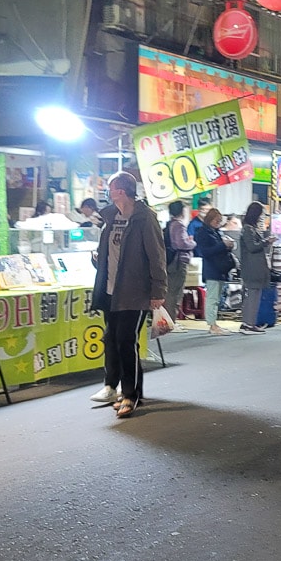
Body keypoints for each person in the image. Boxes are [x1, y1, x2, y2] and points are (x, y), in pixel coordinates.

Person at [89, 171, 167, 418]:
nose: (108, 193)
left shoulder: (145, 218)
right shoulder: (110, 217)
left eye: (110, 188)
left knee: (125, 340)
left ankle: (130, 395)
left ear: (120, 191)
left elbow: (157, 256)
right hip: (111, 289)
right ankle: (119, 388)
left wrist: (158, 290)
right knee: (111, 339)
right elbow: (109, 251)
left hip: (135, 291)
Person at [194, 207, 236, 335]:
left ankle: (214, 323)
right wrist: (223, 245)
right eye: (216, 220)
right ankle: (212, 325)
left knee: (217, 298)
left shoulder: (216, 232)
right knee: (212, 298)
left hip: (220, 269)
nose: (218, 223)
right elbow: (206, 252)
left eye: (219, 221)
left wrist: (228, 246)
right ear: (210, 219)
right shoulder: (203, 233)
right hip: (212, 269)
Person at [238, 201, 274, 335]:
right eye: (261, 214)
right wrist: (266, 241)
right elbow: (252, 247)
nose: (262, 217)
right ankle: (249, 324)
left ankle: (249, 323)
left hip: (253, 267)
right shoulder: (248, 229)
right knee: (253, 296)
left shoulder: (249, 228)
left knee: (253, 295)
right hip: (253, 268)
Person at [162, 200, 195, 333]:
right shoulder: (179, 225)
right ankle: (170, 322)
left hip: (170, 262)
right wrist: (192, 243)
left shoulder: (169, 224)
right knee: (174, 292)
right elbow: (181, 244)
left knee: (170, 291)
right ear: (181, 211)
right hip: (178, 262)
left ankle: (169, 321)